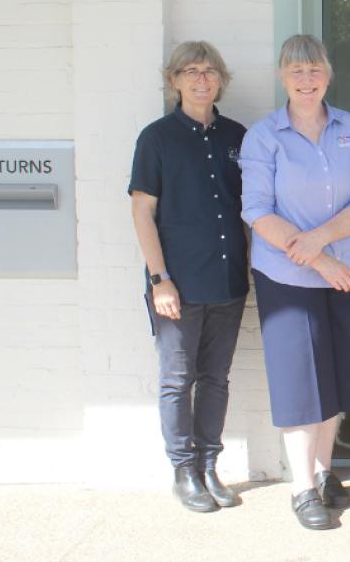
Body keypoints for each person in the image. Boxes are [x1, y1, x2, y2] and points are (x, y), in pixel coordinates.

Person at [240, 34, 350, 530]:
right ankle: (301, 487)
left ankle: (325, 472)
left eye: (314, 70)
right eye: (296, 72)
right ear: (283, 77)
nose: (306, 80)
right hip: (289, 274)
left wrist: (323, 240)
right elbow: (256, 209)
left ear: (327, 75)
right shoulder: (264, 136)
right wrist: (317, 258)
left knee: (339, 373)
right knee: (300, 377)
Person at [129, 41, 249, 514]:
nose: (202, 79)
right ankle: (183, 470)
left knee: (215, 377)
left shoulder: (237, 135)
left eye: (210, 71)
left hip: (227, 280)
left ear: (221, 79)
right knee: (177, 379)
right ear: (174, 80)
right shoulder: (156, 138)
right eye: (191, 71)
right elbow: (142, 211)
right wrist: (160, 279)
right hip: (176, 283)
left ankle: (208, 465)